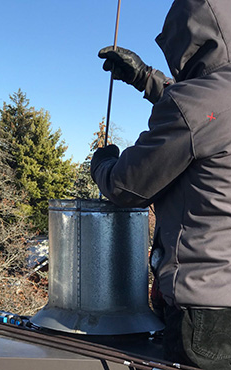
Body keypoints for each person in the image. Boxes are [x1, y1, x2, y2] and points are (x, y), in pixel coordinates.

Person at [91, 0, 231, 368]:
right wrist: (146, 79)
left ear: (188, 37)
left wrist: (103, 164)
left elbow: (127, 186)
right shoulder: (210, 102)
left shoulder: (199, 103)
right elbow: (207, 119)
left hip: (206, 312)